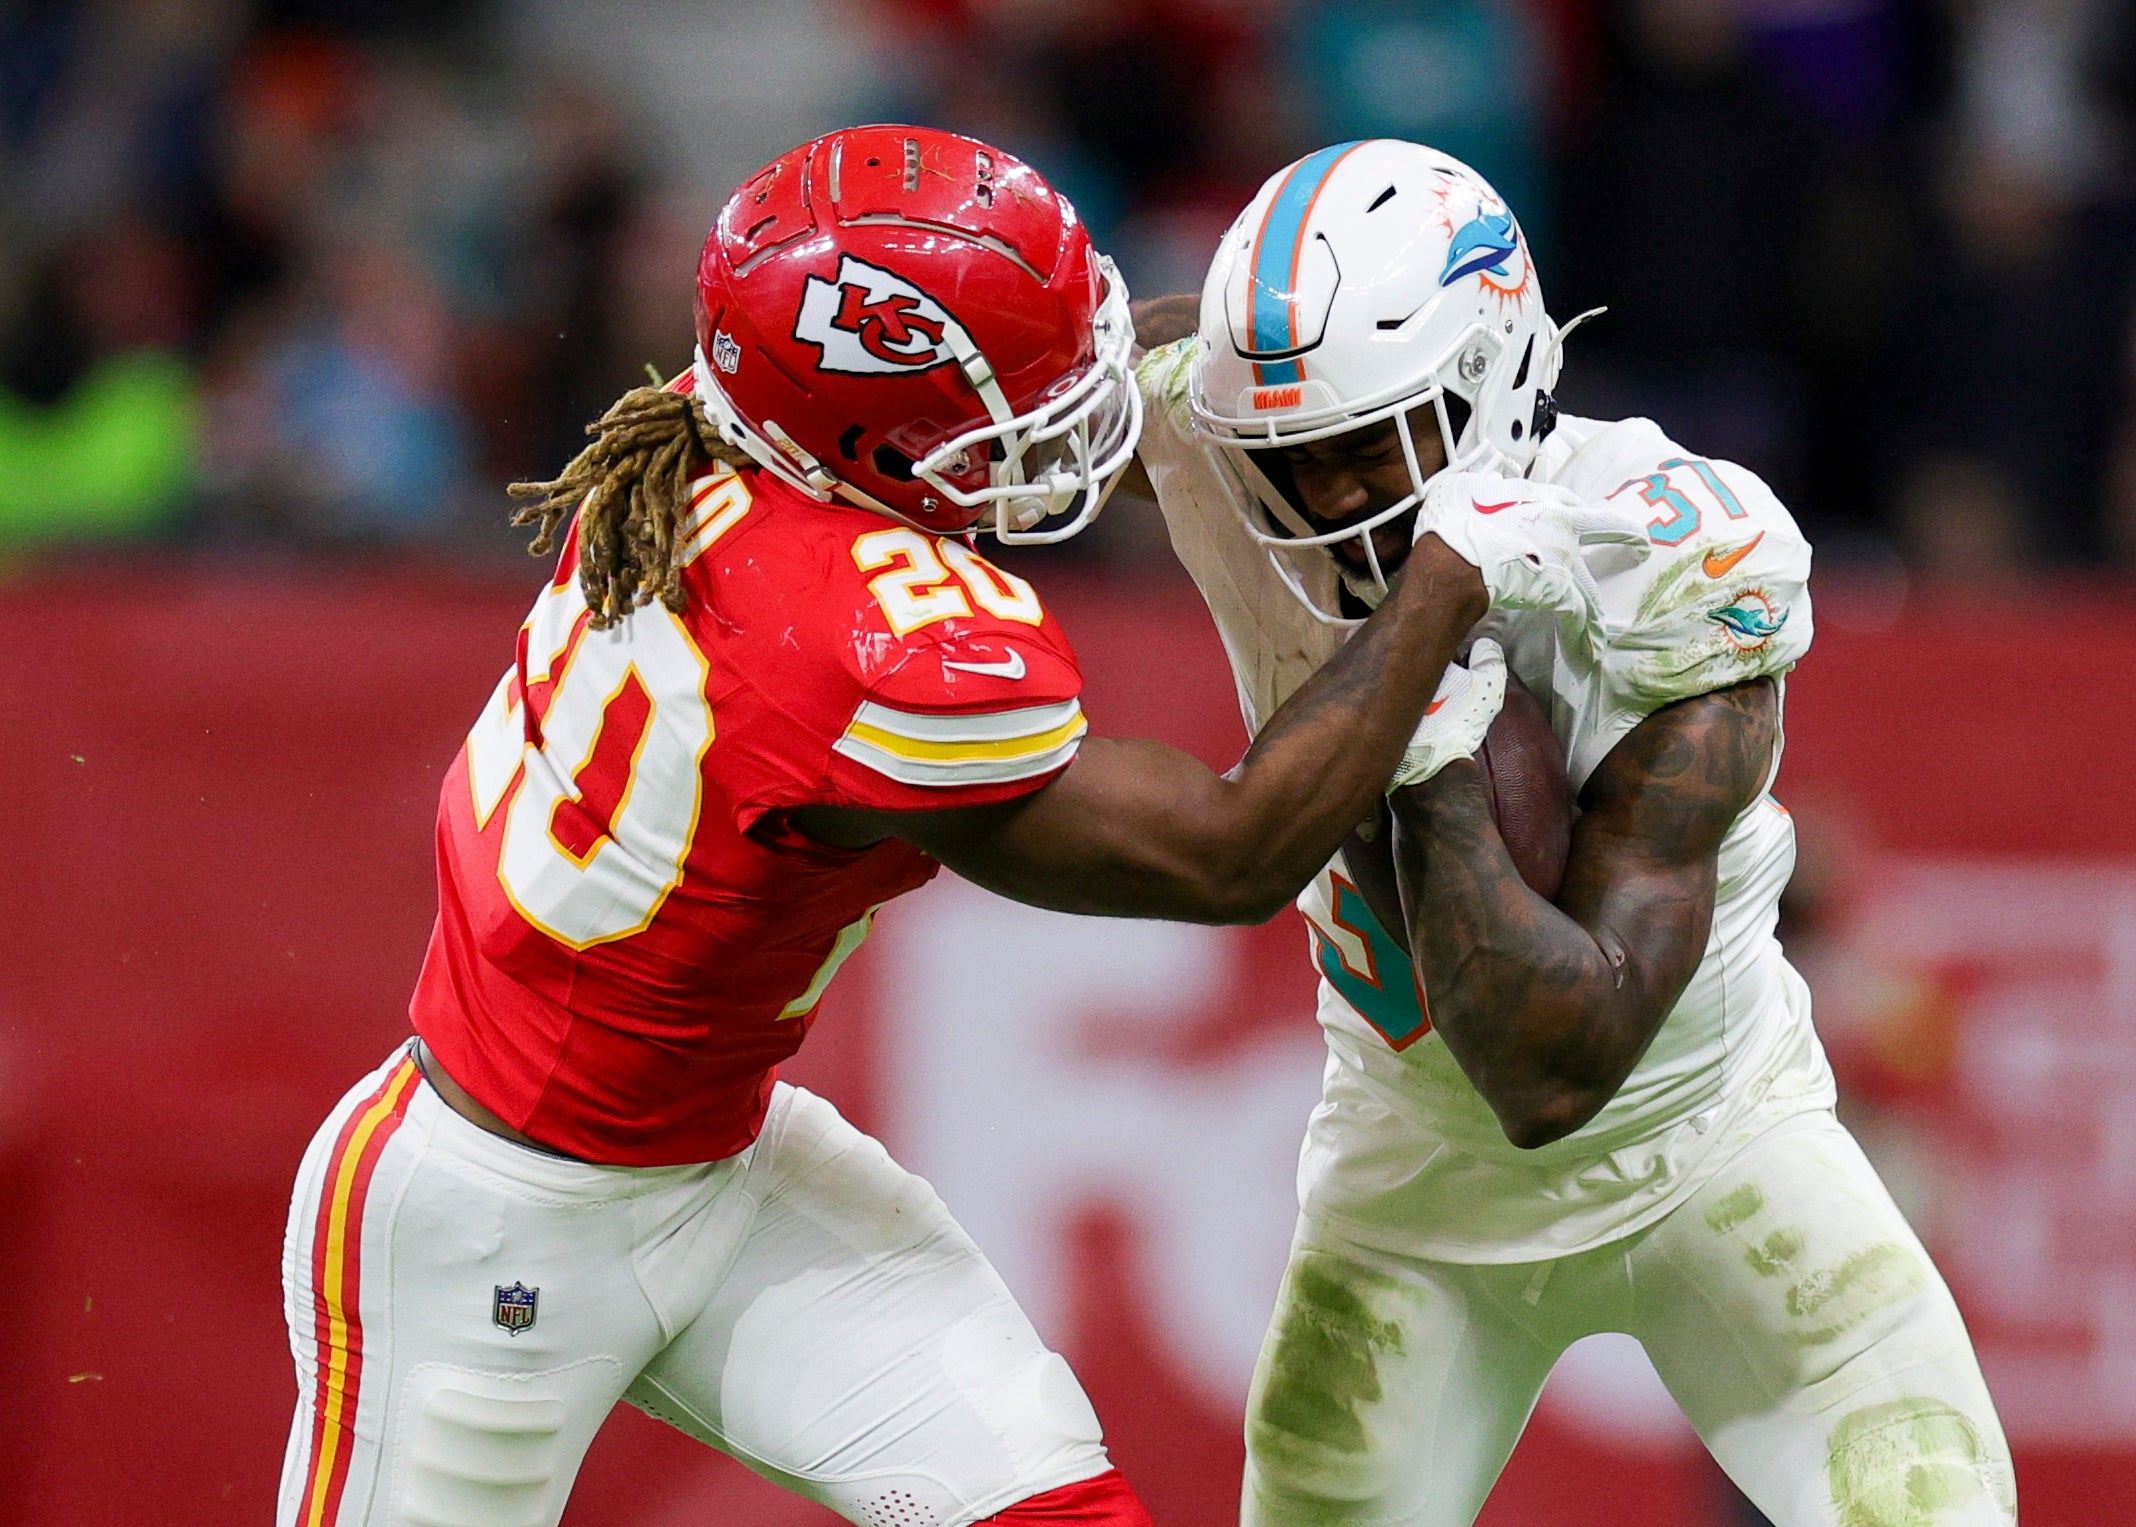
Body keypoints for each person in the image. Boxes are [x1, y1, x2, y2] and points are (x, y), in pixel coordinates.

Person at [276, 126, 1540, 1527]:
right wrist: (1447, 572)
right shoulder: (854, 644)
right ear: (885, 442)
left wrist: (1309, 337)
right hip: (489, 1229)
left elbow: (1063, 386)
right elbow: (1229, 851)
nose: (1074, 413)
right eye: (1020, 405)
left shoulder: (740, 414)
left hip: (729, 1168)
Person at [1128, 138, 2017, 1527]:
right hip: (1407, 1189)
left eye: (1368, 450)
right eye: (1289, 463)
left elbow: (1555, 1071)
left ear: (1490, 385)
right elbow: (1054, 407)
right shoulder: (1240, 451)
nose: (1329, 502)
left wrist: (1420, 742)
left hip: (1709, 1146)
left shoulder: (1667, 556)